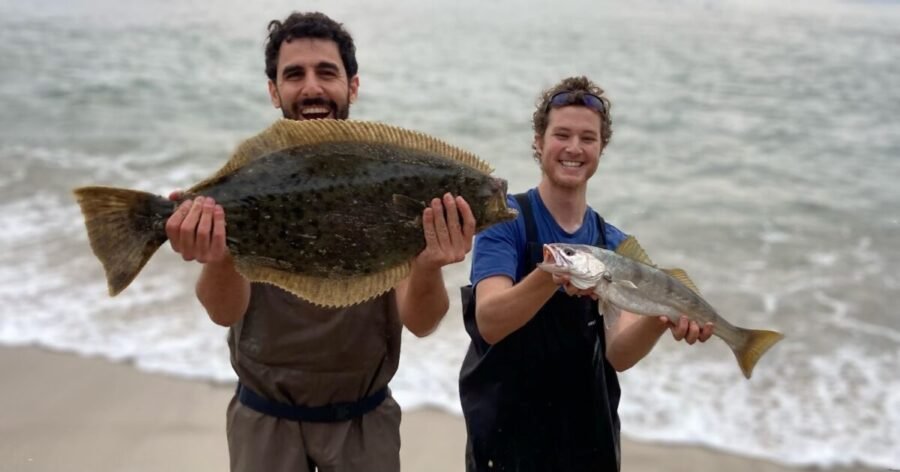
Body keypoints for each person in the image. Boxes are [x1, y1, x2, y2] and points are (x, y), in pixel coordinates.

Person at [164, 12, 476, 472]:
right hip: (264, 421)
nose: (311, 88)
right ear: (274, 91)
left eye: (326, 73)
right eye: (294, 75)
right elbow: (223, 312)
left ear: (352, 86)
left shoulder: (394, 176)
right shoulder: (252, 181)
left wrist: (430, 265)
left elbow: (422, 321)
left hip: (364, 422)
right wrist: (219, 258)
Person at [458, 76, 714, 471]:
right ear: (539, 142)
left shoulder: (615, 244)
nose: (574, 148)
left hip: (588, 442)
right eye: (561, 134)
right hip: (504, 442)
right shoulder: (506, 221)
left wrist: (661, 320)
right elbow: (489, 321)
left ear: (601, 148)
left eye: (588, 138)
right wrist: (552, 275)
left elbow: (618, 353)